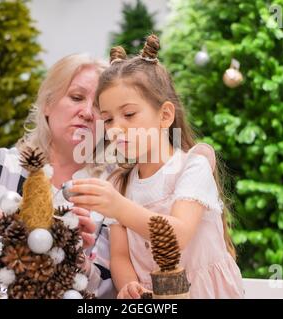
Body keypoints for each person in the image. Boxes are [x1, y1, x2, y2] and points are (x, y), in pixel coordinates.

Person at [68, 35, 244, 299]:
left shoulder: (193, 166)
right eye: (108, 119)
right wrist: (128, 284)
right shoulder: (121, 183)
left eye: (129, 115)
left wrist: (117, 206)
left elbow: (177, 235)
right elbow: (119, 257)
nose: (116, 129)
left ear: (165, 115)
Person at [0, 54, 117, 298]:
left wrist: (77, 258)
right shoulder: (2, 166)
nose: (88, 112)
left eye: (99, 106)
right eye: (76, 97)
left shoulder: (114, 185)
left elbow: (115, 291)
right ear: (48, 104)